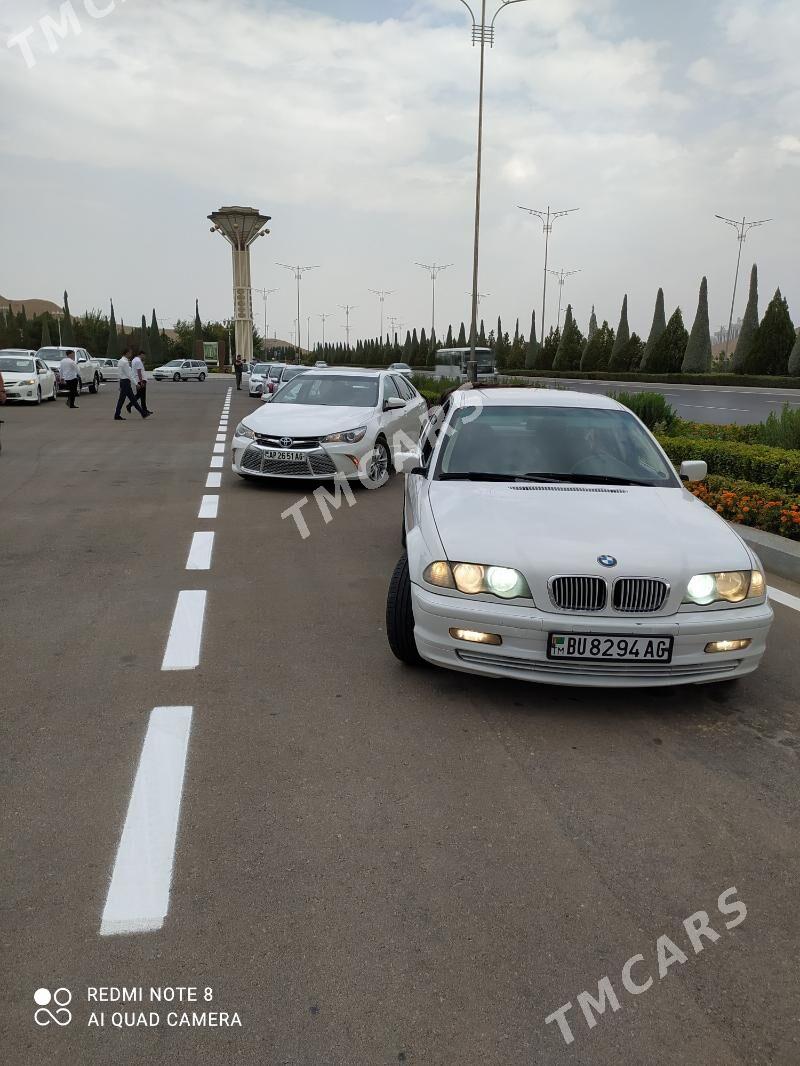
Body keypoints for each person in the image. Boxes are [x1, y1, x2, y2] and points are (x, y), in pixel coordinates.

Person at [115, 348, 148, 420]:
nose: (131, 354)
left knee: (129, 399)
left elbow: (119, 374)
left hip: (123, 382)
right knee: (128, 399)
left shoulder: (120, 361)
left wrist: (120, 384)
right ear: (126, 353)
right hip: (126, 382)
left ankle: (143, 413)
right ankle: (143, 413)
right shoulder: (125, 362)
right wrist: (136, 383)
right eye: (130, 353)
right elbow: (129, 374)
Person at [128, 349, 153, 415]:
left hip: (137, 379)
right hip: (140, 380)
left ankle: (143, 409)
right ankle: (130, 405)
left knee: (140, 395)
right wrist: (141, 381)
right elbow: (139, 372)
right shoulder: (138, 361)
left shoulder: (134, 360)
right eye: (144, 356)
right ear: (141, 354)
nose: (144, 357)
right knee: (141, 395)